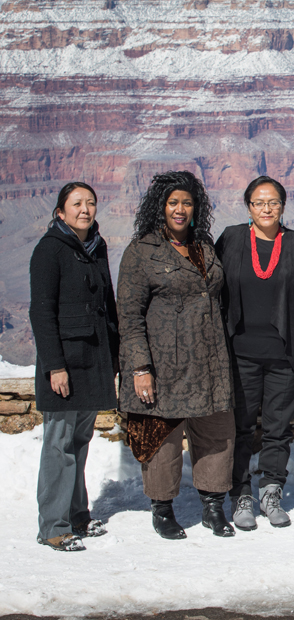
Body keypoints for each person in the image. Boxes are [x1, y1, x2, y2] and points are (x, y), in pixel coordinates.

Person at [118, 171, 236, 540]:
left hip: (210, 358)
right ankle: (163, 509)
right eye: (173, 203)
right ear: (160, 207)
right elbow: (129, 315)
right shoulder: (142, 251)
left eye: (187, 202)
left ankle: (213, 506)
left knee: (216, 433)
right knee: (161, 436)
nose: (180, 209)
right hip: (163, 361)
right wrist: (140, 367)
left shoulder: (205, 247)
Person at [215, 176, 294, 531]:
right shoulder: (230, 239)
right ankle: (241, 494)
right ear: (248, 207)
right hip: (239, 353)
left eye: (273, 202)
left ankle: (272, 491)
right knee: (241, 428)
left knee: (277, 428)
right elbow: (212, 289)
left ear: (283, 206)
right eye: (259, 202)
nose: (267, 209)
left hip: (285, 355)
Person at [29, 182, 119, 552]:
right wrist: (54, 366)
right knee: (59, 444)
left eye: (91, 203)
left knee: (80, 442)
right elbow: (41, 312)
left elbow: (108, 305)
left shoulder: (96, 247)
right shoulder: (49, 250)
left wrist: (114, 356)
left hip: (94, 361)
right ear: (60, 212)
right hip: (65, 363)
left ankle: (77, 515)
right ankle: (53, 526)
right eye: (77, 203)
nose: (85, 209)